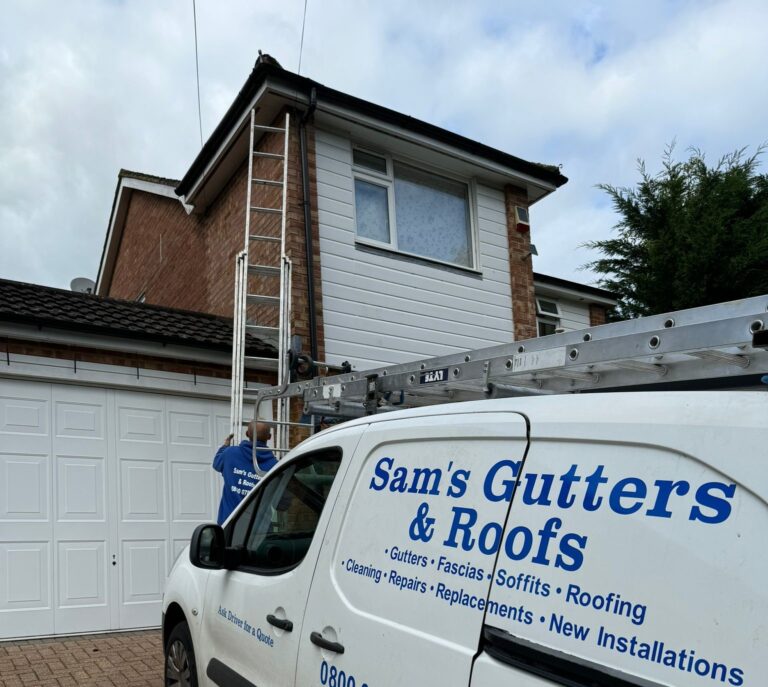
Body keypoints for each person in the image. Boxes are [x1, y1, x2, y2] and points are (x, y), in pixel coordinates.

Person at [212, 420, 277, 525]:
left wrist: (224, 447)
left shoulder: (230, 453)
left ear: (247, 434)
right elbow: (283, 504)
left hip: (229, 525)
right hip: (257, 531)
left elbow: (216, 464)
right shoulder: (275, 466)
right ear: (269, 437)